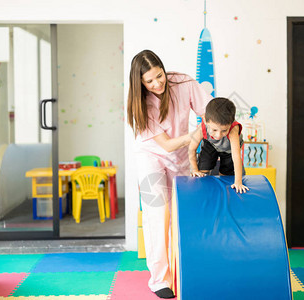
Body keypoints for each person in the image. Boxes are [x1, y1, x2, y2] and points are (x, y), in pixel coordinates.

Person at [127, 50, 212, 299]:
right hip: (150, 158)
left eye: (159, 76)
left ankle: (185, 270)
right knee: (156, 215)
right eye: (149, 81)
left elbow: (207, 112)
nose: (157, 84)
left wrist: (214, 130)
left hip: (181, 157)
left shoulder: (184, 82)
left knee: (182, 215)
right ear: (140, 83)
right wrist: (194, 136)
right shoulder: (139, 105)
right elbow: (165, 145)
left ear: (164, 70)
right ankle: (159, 280)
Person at [188, 97, 249, 193]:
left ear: (230, 124)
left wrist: (238, 182)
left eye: (224, 130)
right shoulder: (202, 127)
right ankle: (203, 190)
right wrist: (195, 169)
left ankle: (222, 192)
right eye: (214, 130)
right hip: (211, 144)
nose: (218, 135)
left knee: (226, 173)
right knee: (203, 168)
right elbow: (191, 149)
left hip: (228, 149)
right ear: (206, 121)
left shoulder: (233, 129)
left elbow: (236, 156)